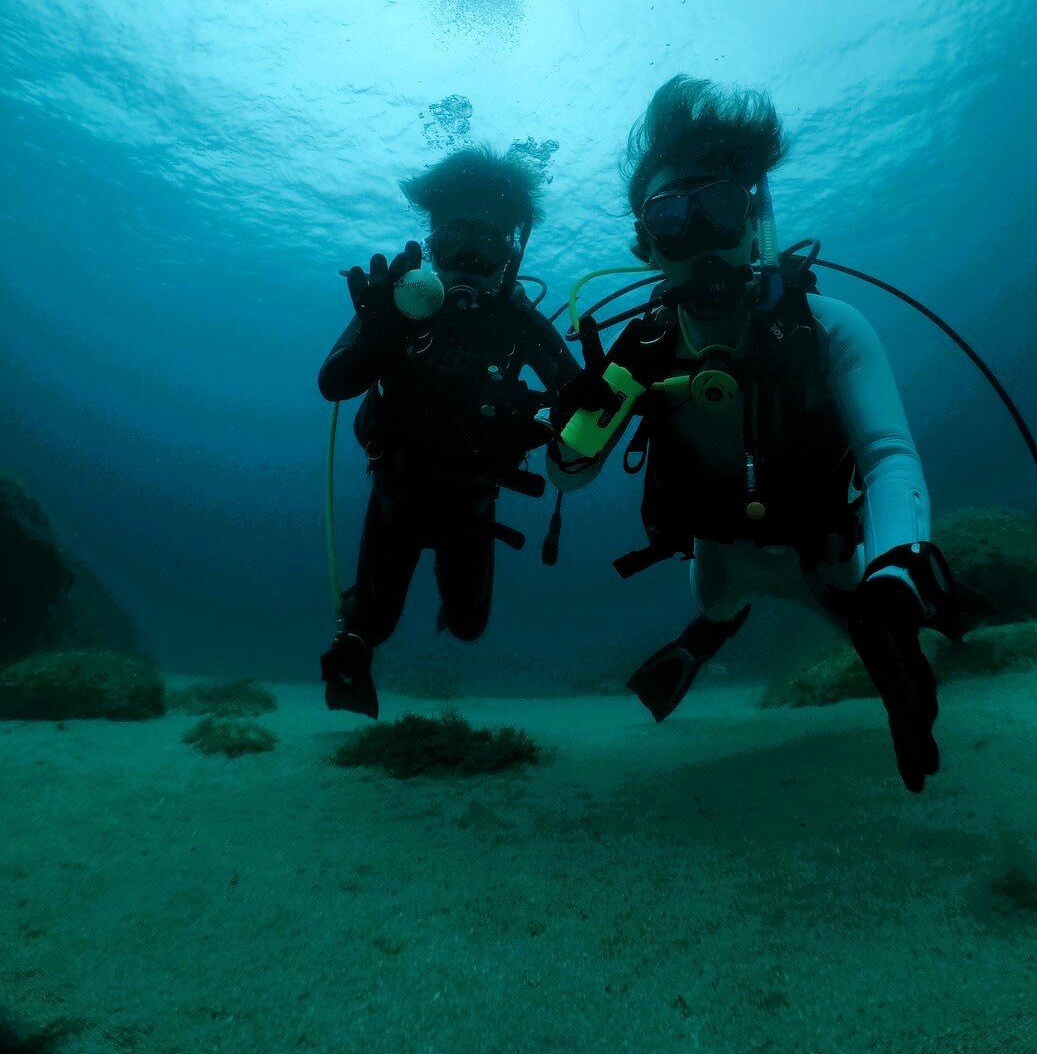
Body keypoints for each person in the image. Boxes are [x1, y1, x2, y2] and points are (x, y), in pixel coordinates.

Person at [548, 76, 966, 793]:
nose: (700, 240)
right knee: (718, 601)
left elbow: (887, 455)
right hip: (720, 561)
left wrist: (895, 576)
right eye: (671, 219)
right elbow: (569, 472)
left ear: (754, 222)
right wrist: (569, 422)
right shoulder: (638, 352)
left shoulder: (826, 328)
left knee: (883, 630)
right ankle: (703, 638)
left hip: (824, 555)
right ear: (647, 247)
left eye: (718, 207)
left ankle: (911, 612)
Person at [319, 146, 579, 717]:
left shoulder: (516, 318)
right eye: (453, 241)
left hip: (473, 501)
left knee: (468, 625)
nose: (468, 259)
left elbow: (578, 399)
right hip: (396, 493)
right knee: (372, 627)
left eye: (488, 246)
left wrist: (547, 417)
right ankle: (354, 642)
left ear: (511, 254)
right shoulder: (397, 305)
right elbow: (334, 384)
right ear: (430, 245)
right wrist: (377, 336)